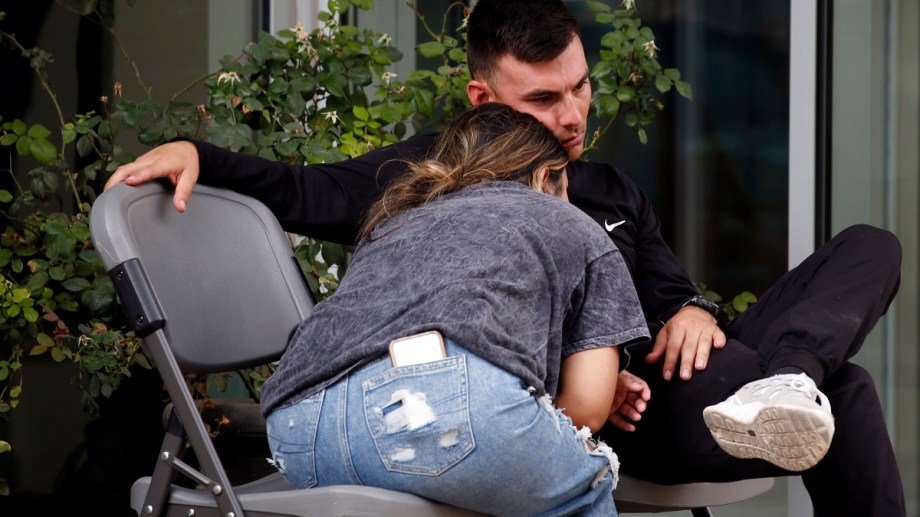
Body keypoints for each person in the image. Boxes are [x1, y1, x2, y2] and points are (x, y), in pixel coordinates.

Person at [105, 0, 906, 515]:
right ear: (483, 100)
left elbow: (670, 292)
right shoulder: (431, 176)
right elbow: (301, 189)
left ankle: (788, 378)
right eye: (544, 100)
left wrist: (692, 308)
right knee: (851, 390)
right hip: (612, 412)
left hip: (705, 378)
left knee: (871, 246)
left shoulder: (612, 188)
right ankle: (797, 380)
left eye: (579, 88)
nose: (573, 115)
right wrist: (200, 154)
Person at [259, 103, 649, 516]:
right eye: (565, 187)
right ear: (545, 176)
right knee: (585, 484)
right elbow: (587, 407)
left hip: (297, 429)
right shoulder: (576, 225)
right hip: (442, 415)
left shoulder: (394, 221)